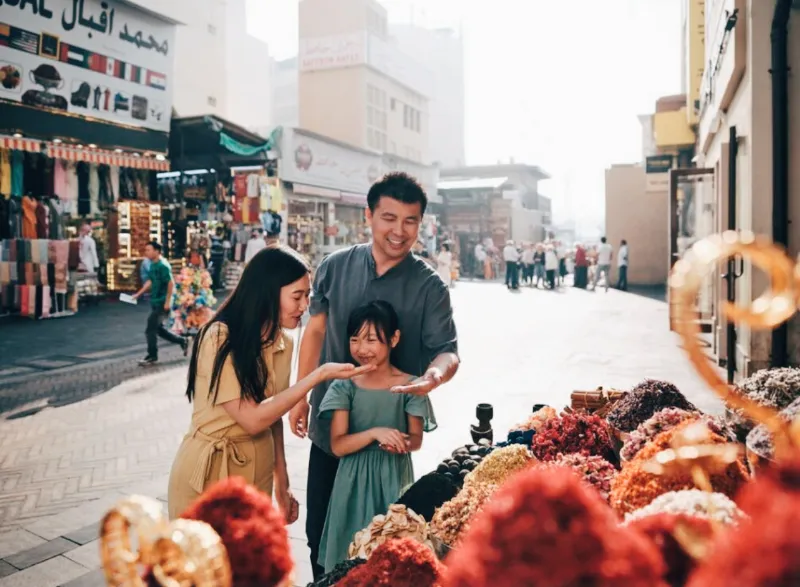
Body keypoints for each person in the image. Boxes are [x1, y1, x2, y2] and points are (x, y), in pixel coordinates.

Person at [287, 172, 459, 580]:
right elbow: (313, 331)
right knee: (319, 534)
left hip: (389, 446)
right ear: (369, 216)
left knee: (384, 544)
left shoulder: (430, 287)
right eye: (389, 218)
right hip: (334, 433)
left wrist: (433, 377)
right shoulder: (335, 267)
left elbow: (447, 351)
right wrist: (300, 395)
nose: (399, 231)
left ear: (421, 223)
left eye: (410, 221)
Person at [167, 246, 374, 520]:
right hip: (209, 476)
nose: (304, 306)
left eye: (307, 296)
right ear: (266, 293)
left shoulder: (282, 342)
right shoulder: (219, 337)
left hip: (256, 475)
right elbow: (252, 419)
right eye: (296, 297)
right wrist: (316, 376)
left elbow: (273, 416)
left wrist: (283, 487)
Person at [317, 301, 436, 572]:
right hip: (351, 483)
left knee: (389, 562)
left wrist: (399, 443)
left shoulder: (410, 385)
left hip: (393, 478)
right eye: (355, 339)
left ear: (394, 339)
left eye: (371, 339)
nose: (361, 348)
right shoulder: (344, 385)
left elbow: (416, 439)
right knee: (348, 562)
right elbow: (338, 445)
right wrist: (373, 433)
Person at [132, 241, 188, 365]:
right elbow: (150, 281)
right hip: (155, 301)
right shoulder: (152, 265)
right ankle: (182, 341)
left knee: (150, 329)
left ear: (157, 251)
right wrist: (138, 294)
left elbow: (171, 283)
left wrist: (168, 302)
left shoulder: (163, 265)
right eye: (146, 250)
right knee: (158, 329)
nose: (146, 252)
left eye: (149, 250)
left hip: (163, 302)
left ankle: (152, 355)